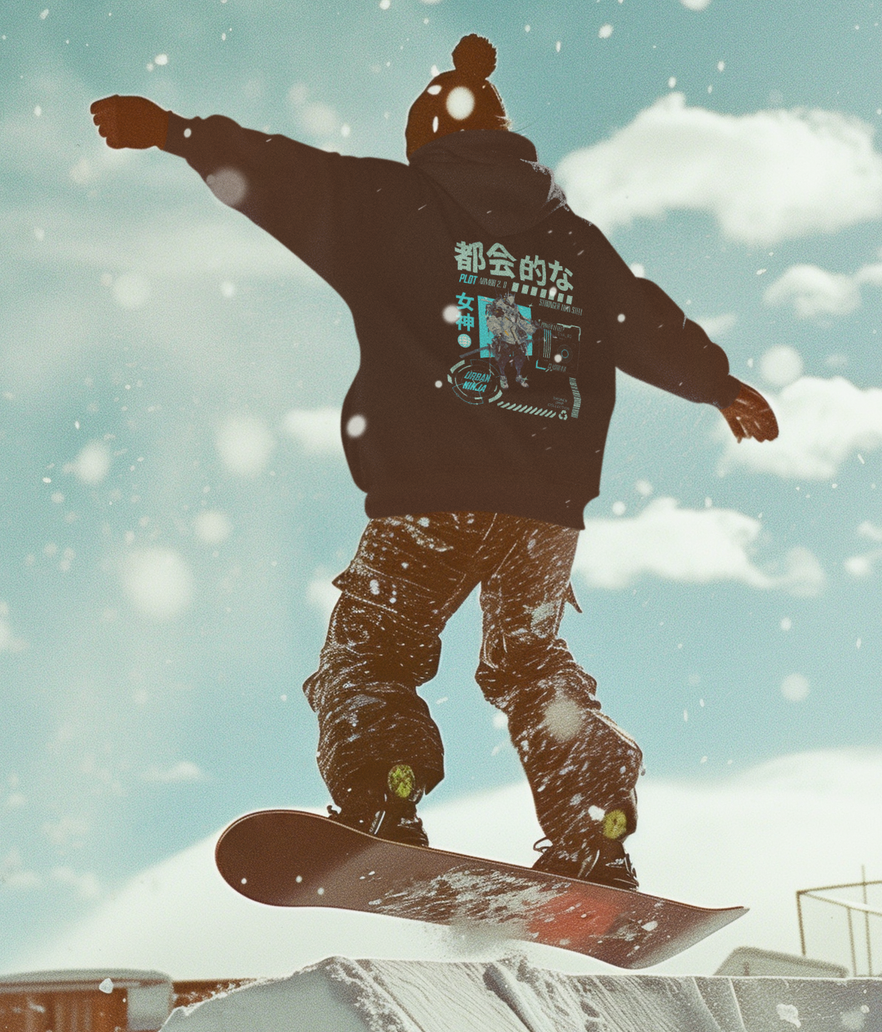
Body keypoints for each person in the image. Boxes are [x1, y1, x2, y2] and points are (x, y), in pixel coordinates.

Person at [91, 33, 777, 890]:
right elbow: (642, 319)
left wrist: (176, 132)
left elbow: (283, 174)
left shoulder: (392, 203)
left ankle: (386, 795)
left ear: (426, 144)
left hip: (435, 485)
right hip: (545, 506)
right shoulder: (572, 240)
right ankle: (594, 821)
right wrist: (717, 384)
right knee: (532, 662)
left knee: (372, 650)